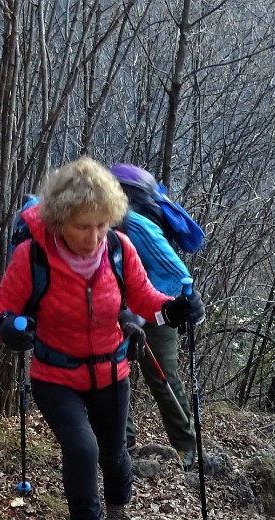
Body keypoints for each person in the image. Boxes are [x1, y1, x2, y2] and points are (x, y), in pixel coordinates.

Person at [0, 157, 204, 520]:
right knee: (82, 450)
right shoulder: (32, 257)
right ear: (59, 221)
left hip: (111, 372)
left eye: (103, 224)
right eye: (84, 226)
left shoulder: (119, 249)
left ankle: (119, 505)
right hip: (55, 377)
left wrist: (173, 309)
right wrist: (7, 328)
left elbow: (146, 298)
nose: (95, 236)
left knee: (114, 452)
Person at [110, 164, 198, 467]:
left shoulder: (134, 224)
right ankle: (124, 442)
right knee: (114, 374)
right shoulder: (108, 223)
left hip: (157, 312)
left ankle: (187, 449)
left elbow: (178, 274)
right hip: (122, 312)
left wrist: (143, 313)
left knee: (162, 380)